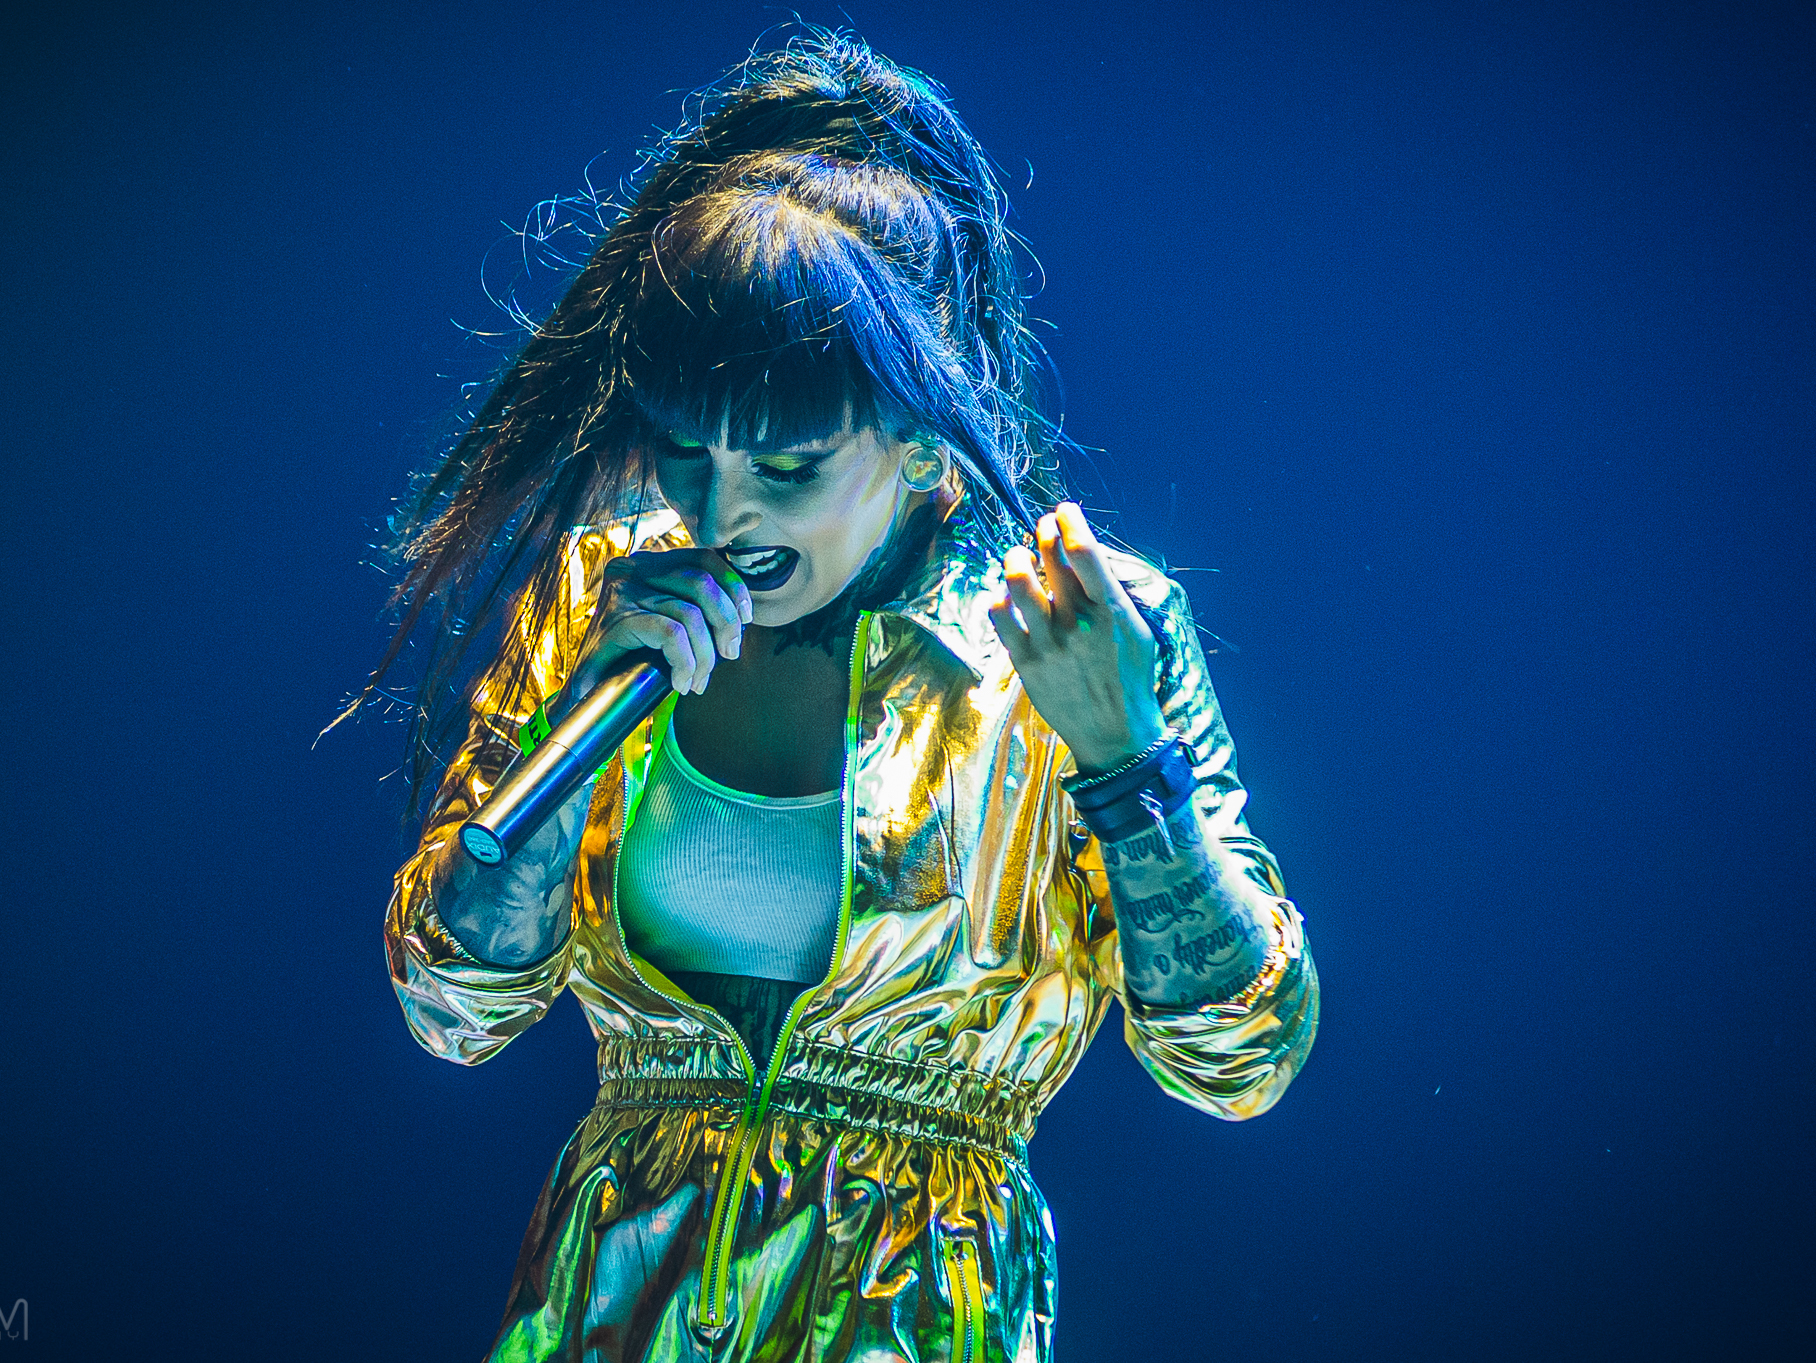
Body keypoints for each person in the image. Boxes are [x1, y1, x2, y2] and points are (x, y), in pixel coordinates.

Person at [359, 30, 1318, 1361]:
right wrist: (579, 715)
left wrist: (1125, 763)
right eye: (684, 449)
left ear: (922, 440)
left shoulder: (1081, 628)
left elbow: (1241, 1060)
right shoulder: (602, 594)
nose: (720, 513)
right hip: (610, 1316)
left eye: (789, 466)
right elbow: (453, 1011)